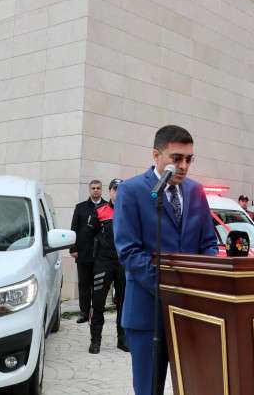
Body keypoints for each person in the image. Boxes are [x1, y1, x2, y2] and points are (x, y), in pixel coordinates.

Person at [114, 125, 218, 395]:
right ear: (156, 155)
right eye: (177, 158)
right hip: (147, 312)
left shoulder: (196, 191)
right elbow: (129, 251)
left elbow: (208, 243)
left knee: (196, 386)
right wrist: (170, 289)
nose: (183, 166)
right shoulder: (131, 190)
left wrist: (202, 282)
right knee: (149, 389)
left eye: (189, 159)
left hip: (191, 313)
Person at [89, 178, 128, 354]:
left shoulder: (131, 211)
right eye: (115, 189)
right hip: (103, 262)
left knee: (124, 303)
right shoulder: (100, 211)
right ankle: (95, 341)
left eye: (122, 189)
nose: (118, 193)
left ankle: (123, 340)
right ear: (110, 191)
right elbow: (88, 237)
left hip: (123, 262)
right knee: (98, 302)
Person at [70, 180, 107, 324]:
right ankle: (84, 312)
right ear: (89, 190)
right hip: (83, 252)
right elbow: (74, 228)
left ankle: (97, 313)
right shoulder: (80, 207)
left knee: (99, 285)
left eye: (98, 188)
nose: (96, 190)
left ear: (101, 190)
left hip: (101, 254)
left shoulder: (107, 207)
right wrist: (73, 248)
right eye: (93, 188)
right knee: (84, 284)